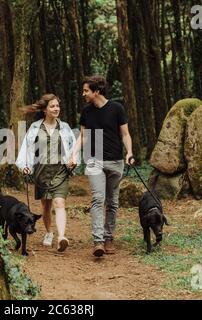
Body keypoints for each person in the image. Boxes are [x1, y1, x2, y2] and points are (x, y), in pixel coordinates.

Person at [68, 75, 135, 257]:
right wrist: (73, 154)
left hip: (115, 161)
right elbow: (83, 136)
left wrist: (129, 152)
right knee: (98, 199)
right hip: (94, 161)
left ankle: (109, 237)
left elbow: (125, 134)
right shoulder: (86, 112)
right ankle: (98, 241)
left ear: (96, 91)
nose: (83, 94)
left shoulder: (116, 108)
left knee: (112, 202)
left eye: (86, 91)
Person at [16, 94, 78, 252]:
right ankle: (49, 232)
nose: (56, 109)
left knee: (59, 203)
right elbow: (26, 148)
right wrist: (24, 165)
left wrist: (73, 159)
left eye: (57, 106)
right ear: (44, 110)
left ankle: (61, 237)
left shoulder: (64, 127)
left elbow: (73, 147)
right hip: (41, 171)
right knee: (46, 205)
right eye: (52, 106)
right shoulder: (35, 128)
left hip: (60, 171)